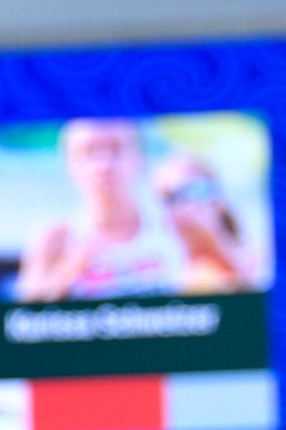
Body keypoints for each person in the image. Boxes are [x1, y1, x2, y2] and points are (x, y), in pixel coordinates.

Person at [15, 118, 260, 301]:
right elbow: (19, 323)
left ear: (138, 158)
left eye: (116, 149)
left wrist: (213, 228)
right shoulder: (56, 237)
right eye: (90, 152)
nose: (104, 164)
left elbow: (249, 283)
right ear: (71, 165)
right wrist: (71, 268)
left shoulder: (177, 226)